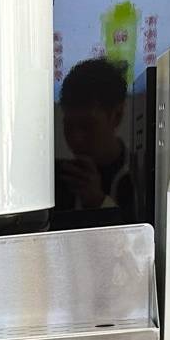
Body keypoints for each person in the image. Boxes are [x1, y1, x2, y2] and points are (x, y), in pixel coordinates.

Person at [56, 58, 136, 219]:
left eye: (87, 126)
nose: (76, 138)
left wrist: (98, 201)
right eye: (69, 126)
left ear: (117, 115)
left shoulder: (138, 175)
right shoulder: (58, 179)